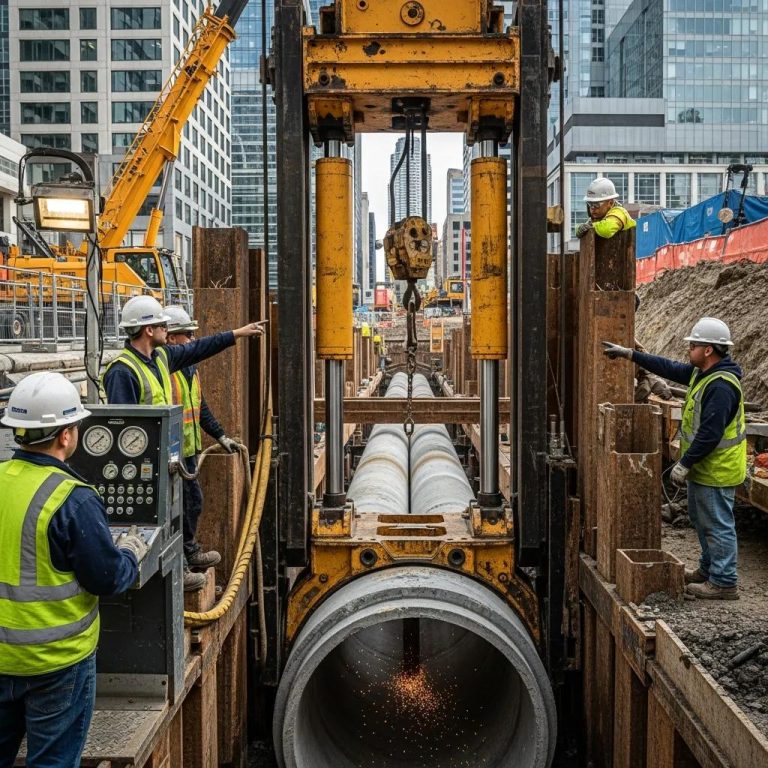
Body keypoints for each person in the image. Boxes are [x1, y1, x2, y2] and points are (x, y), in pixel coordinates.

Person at [0, 372, 146, 767]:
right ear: (65, 435)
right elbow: (107, 578)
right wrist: (131, 551)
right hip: (56, 663)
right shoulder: (73, 499)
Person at [102, 295, 263, 591]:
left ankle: (184, 562)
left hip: (171, 456)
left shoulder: (162, 358)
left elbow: (199, 349)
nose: (167, 329)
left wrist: (236, 334)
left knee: (182, 511)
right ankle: (177, 572)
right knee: (160, 519)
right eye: (162, 325)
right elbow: (122, 429)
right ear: (148, 330)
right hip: (147, 464)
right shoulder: (122, 371)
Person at [602, 317, 746, 600]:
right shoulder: (702, 374)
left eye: (693, 344)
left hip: (717, 469)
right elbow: (667, 367)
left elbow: (710, 433)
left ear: (708, 350)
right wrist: (630, 354)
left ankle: (725, 581)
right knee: (700, 519)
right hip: (705, 469)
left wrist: (684, 463)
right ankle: (708, 571)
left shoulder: (721, 385)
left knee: (717, 524)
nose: (688, 348)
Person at [164, 306, 240, 590]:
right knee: (173, 511)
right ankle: (181, 567)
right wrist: (235, 333)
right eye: (187, 334)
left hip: (188, 452)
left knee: (192, 503)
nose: (192, 338)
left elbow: (200, 407)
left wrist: (220, 435)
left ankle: (190, 550)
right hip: (170, 455)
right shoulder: (166, 368)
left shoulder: (189, 370)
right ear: (171, 338)